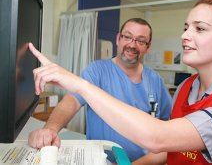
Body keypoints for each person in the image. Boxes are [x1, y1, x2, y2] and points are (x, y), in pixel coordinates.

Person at [28, 0, 212, 165]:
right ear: (118, 39)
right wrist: (50, 127)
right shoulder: (188, 87)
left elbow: (159, 136)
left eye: (199, 29)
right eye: (186, 27)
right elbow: (171, 148)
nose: (184, 35)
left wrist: (79, 82)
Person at [28, 18, 172, 164]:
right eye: (127, 37)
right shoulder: (97, 71)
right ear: (118, 39)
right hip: (102, 160)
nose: (132, 45)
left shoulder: (156, 81)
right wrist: (50, 129)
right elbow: (71, 101)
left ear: (148, 47)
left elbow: (167, 128)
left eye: (140, 41)